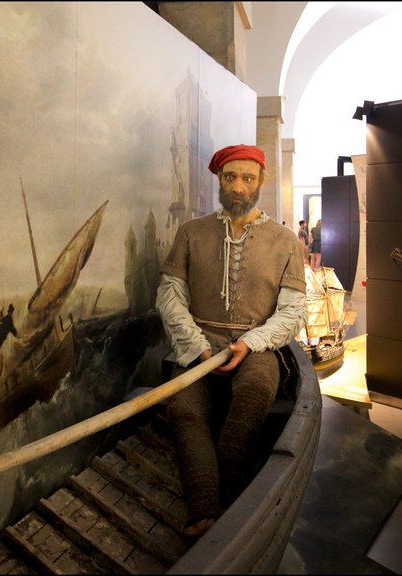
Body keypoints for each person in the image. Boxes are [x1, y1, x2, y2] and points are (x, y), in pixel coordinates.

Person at [156, 144, 306, 538]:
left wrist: (250, 343)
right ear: (219, 180)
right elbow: (169, 295)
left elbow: (292, 311)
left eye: (247, 178)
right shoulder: (191, 233)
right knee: (183, 410)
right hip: (198, 343)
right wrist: (196, 345)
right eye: (230, 178)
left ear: (261, 182)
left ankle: (227, 498)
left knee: (255, 392)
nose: (238, 187)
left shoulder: (285, 240)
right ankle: (205, 508)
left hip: (256, 344)